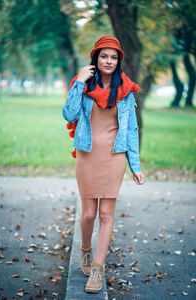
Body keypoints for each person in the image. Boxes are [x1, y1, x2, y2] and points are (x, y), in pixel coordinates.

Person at [62, 35, 144, 294]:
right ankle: (85, 250)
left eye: (113, 57)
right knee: (88, 214)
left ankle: (97, 267)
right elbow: (69, 114)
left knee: (106, 214)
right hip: (87, 155)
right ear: (95, 59)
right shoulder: (83, 85)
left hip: (114, 157)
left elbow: (131, 129)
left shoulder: (126, 90)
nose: (108, 61)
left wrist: (136, 166)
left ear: (119, 60)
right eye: (103, 56)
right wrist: (78, 83)